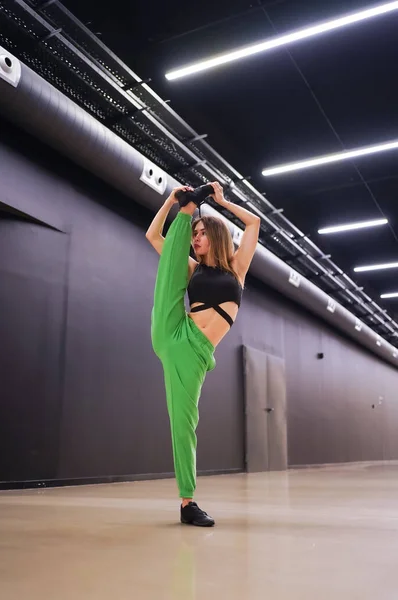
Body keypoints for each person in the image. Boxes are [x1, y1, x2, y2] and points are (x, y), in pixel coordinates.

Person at [146, 181, 260, 526]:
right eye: (193, 233)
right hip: (177, 332)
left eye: (200, 233)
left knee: (185, 422)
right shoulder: (192, 269)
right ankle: (188, 502)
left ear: (216, 235)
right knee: (170, 268)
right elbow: (154, 237)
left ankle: (186, 504)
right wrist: (170, 202)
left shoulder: (237, 269)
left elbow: (254, 223)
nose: (196, 240)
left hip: (195, 351)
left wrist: (222, 202)